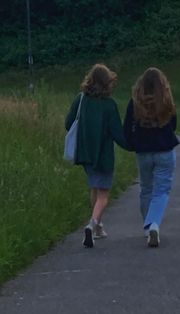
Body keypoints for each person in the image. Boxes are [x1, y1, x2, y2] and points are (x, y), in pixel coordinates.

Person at [65, 64, 127, 248]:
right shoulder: (109, 105)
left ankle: (98, 226)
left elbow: (69, 123)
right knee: (103, 195)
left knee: (94, 186)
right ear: (107, 83)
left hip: (84, 154)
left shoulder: (81, 99)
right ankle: (91, 225)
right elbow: (117, 133)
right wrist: (133, 145)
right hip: (103, 155)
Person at [123, 67, 179, 247]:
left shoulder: (135, 102)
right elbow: (174, 124)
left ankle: (147, 227)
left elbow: (126, 128)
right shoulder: (166, 101)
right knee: (161, 190)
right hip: (164, 150)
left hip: (143, 152)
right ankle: (154, 224)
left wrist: (132, 144)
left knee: (145, 188)